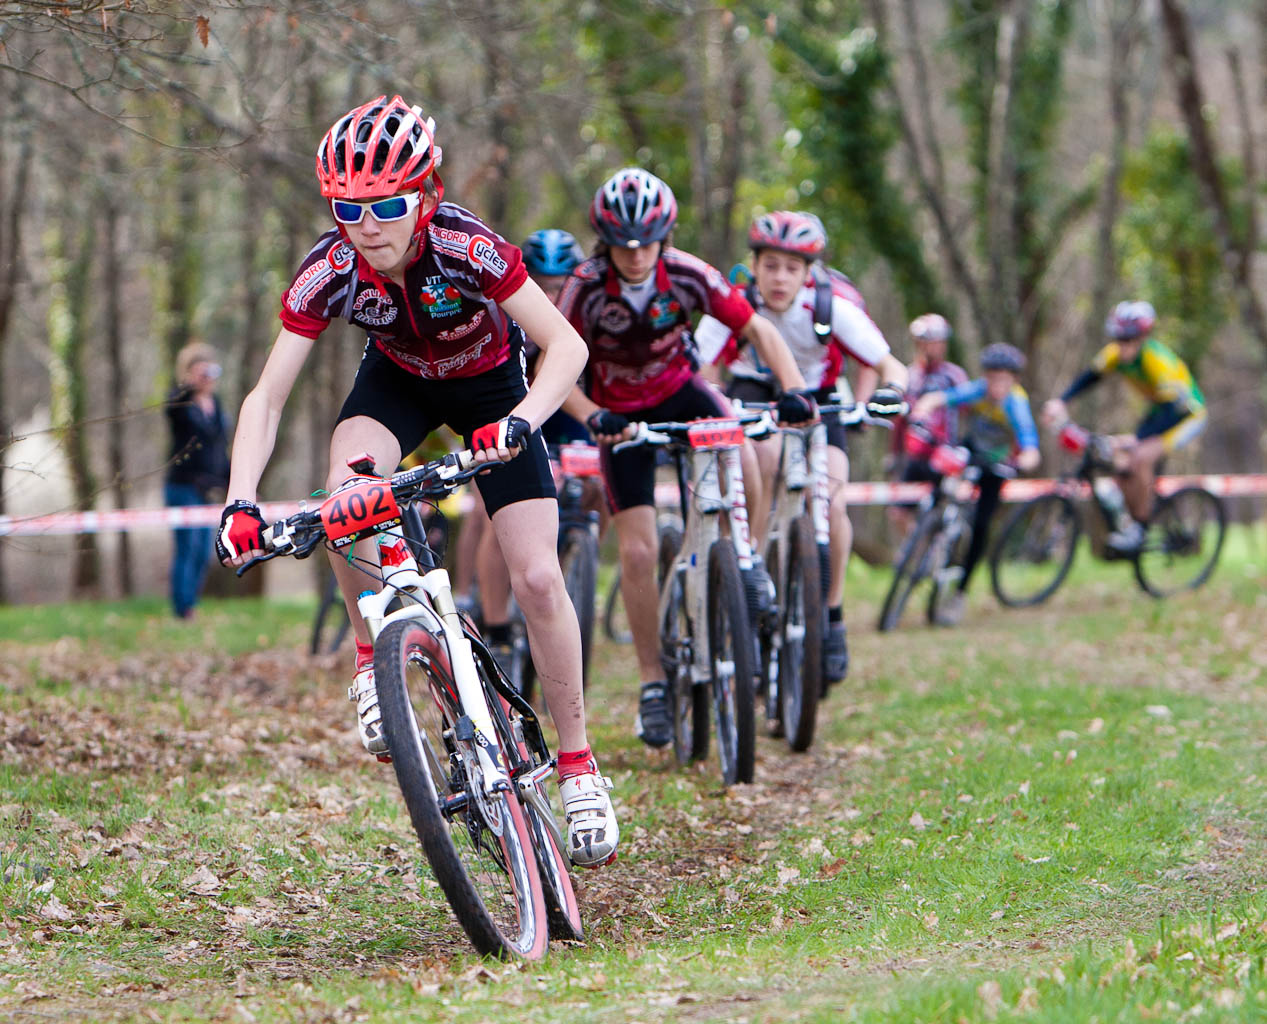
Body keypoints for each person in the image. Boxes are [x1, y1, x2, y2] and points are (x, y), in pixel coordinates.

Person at [213, 95, 617, 868]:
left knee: (537, 576)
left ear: (424, 196)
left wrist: (522, 421)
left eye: (386, 206)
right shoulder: (331, 267)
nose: (366, 226)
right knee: (345, 493)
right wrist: (240, 500)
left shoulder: (468, 245)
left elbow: (565, 347)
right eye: (346, 209)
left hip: (493, 389)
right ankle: (372, 658)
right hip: (397, 383)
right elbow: (266, 397)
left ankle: (577, 766)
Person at [556, 168, 817, 749]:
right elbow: (554, 361)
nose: (636, 255)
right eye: (623, 245)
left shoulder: (689, 274)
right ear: (605, 242)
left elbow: (758, 329)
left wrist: (794, 388)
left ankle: (745, 558)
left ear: (664, 238)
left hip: (680, 390)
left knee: (739, 444)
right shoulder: (583, 287)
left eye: (647, 243)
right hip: (618, 414)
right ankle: (653, 681)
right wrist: (592, 415)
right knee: (639, 550)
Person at [695, 210, 908, 683]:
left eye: (792, 268)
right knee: (764, 457)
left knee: (832, 501)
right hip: (754, 391)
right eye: (770, 265)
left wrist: (889, 394)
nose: (779, 278)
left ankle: (832, 616)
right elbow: (697, 363)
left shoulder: (830, 307)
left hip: (819, 399)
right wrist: (712, 398)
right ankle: (750, 568)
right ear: (754, 266)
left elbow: (892, 365)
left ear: (809, 273)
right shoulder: (736, 302)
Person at [460, 228, 597, 657]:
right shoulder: (505, 315)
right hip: (507, 410)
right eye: (542, 285)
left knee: (599, 486)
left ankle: (579, 557)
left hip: (563, 416)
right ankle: (491, 619)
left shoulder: (587, 314)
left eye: (559, 286)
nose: (551, 296)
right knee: (489, 512)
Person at [1043, 300, 1207, 553]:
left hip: (1186, 415)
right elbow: (1091, 376)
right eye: (1118, 339)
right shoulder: (1114, 354)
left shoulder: (1157, 360)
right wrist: (1061, 401)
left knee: (1140, 457)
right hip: (1158, 411)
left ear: (1142, 339)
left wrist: (1137, 438)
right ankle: (1129, 521)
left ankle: (1141, 528)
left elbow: (1174, 410)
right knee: (1121, 463)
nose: (1122, 346)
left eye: (1128, 340)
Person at [910, 342, 1040, 626]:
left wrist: (1026, 458)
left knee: (981, 526)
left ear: (1014, 380)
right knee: (940, 476)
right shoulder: (978, 390)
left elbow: (1029, 440)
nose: (996, 385)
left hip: (997, 465)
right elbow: (945, 398)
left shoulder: (1016, 403)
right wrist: (924, 407)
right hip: (971, 452)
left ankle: (960, 592)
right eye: (991, 378)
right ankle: (930, 529)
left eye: (1002, 379)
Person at [164, 341, 231, 620]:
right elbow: (171, 408)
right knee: (187, 547)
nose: (207, 378)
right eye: (200, 372)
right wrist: (189, 386)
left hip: (207, 488)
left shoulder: (216, 405)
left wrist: (234, 484)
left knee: (204, 550)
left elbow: (219, 450)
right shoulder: (181, 403)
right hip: (182, 486)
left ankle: (190, 603)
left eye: (209, 371)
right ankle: (182, 609)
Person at [889, 314, 969, 534]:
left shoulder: (954, 375)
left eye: (940, 342)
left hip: (945, 454)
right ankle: (916, 550)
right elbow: (899, 421)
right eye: (931, 342)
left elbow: (968, 412)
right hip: (916, 455)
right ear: (919, 343)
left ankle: (943, 545)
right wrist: (895, 454)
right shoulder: (909, 376)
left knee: (944, 510)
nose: (936, 347)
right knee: (898, 513)